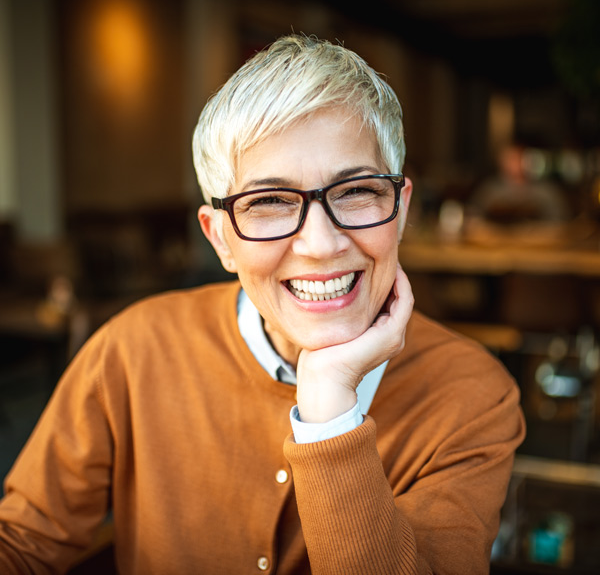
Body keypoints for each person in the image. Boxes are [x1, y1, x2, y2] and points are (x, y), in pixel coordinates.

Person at [0, 34, 525, 574]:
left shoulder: (473, 394)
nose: (321, 245)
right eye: (269, 202)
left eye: (355, 192)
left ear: (400, 207)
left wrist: (330, 410)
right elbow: (22, 544)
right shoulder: (132, 350)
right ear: (220, 239)